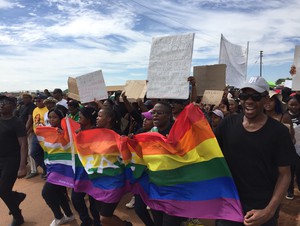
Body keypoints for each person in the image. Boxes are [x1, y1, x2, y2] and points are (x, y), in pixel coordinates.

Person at [215, 76, 295, 226]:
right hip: (229, 206)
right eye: (244, 96)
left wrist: (269, 211)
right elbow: (206, 152)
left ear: (266, 100)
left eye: (255, 96)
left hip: (261, 209)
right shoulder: (227, 124)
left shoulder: (278, 132)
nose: (249, 101)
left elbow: (285, 175)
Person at [149, 102, 186, 226]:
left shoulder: (178, 132)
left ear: (168, 115)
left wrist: (174, 146)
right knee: (158, 221)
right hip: (156, 187)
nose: (155, 116)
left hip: (174, 189)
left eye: (159, 113)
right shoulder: (151, 133)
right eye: (153, 112)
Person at [95, 107, 132, 226]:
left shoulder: (118, 135)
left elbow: (127, 157)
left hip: (114, 181)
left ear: (108, 119)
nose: (97, 118)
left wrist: (127, 143)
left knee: (104, 218)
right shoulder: (95, 133)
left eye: (100, 116)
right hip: (100, 179)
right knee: (102, 213)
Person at [41, 107, 75, 226]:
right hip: (52, 166)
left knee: (46, 193)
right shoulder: (48, 131)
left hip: (63, 167)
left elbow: (68, 148)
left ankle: (59, 217)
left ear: (60, 118)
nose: (51, 119)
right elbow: (46, 150)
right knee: (59, 192)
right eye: (49, 117)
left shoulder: (67, 131)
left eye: (54, 117)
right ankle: (69, 215)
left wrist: (62, 136)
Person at [0, 95, 27, 226]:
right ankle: (16, 197)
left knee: (3, 190)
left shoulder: (17, 122)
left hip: (12, 160)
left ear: (12, 105)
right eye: (0, 102)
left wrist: (22, 167)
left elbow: (23, 144)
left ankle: (17, 216)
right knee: (2, 190)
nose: (1, 105)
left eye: (5, 102)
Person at [72, 107, 101, 226]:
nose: (78, 120)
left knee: (94, 202)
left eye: (81, 117)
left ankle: (97, 222)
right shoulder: (78, 132)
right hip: (80, 171)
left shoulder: (99, 133)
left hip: (94, 172)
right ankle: (86, 220)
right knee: (76, 198)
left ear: (89, 119)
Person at [18, 93, 38, 179]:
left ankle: (34, 170)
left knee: (30, 151)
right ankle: (32, 167)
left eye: (26, 98)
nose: (24, 99)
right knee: (25, 152)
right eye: (23, 98)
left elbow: (30, 119)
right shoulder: (22, 106)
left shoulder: (32, 106)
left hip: (28, 132)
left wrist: (25, 131)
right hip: (22, 132)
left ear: (30, 98)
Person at [30, 93, 48, 179]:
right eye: (36, 100)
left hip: (46, 136)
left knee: (46, 154)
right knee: (33, 153)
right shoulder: (35, 109)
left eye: (39, 100)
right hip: (36, 134)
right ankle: (46, 168)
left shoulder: (48, 109)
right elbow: (33, 121)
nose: (37, 102)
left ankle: (48, 172)